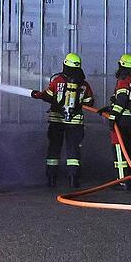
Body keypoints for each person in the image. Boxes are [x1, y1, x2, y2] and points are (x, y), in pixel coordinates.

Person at [31, 53, 94, 188]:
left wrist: (36, 94)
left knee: (54, 149)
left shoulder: (57, 80)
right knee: (73, 151)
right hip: (75, 123)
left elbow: (47, 96)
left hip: (57, 121)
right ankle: (73, 179)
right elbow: (89, 102)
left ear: (65, 65)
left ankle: (52, 179)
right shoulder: (84, 84)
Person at [106, 54, 131, 190]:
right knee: (130, 150)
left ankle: (123, 181)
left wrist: (113, 115)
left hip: (122, 121)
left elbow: (122, 100)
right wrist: (109, 108)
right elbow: (128, 101)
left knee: (120, 151)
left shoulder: (123, 80)